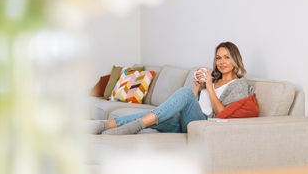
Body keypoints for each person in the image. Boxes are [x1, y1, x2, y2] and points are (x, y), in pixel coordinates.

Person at [87, 41, 250, 135]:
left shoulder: (239, 84)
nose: (222, 62)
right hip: (187, 120)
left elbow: (223, 114)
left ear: (235, 59)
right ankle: (104, 125)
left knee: (183, 93)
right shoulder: (213, 79)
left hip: (205, 124)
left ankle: (137, 126)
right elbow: (191, 102)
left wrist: (209, 86)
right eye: (218, 58)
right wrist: (197, 86)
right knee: (152, 115)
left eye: (227, 58)